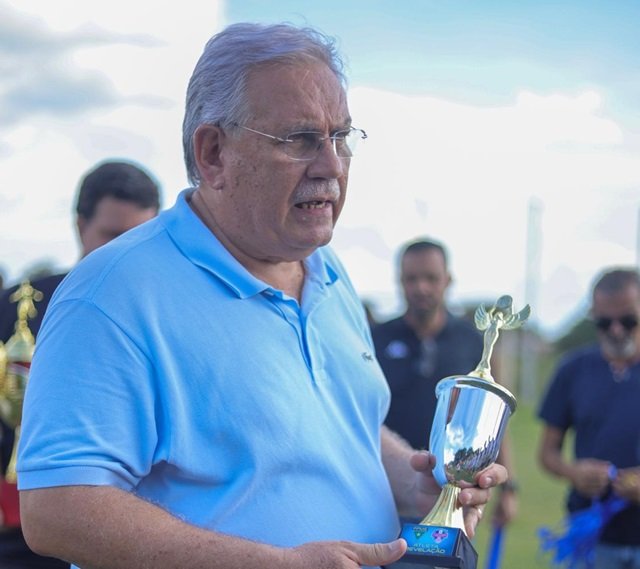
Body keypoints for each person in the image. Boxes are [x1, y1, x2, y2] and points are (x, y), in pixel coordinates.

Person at [17, 23, 507, 569]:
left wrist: (412, 484)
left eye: (341, 137)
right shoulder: (111, 294)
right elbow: (56, 508)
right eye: (300, 140)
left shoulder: (328, 270)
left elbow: (344, 427)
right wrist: (275, 564)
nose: (331, 166)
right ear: (213, 153)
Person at [0, 160, 160, 569]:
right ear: (80, 225)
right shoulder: (19, 305)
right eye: (112, 236)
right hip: (17, 534)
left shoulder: (169, 318)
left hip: (130, 537)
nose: (125, 253)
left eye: (140, 237)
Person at [372, 239, 518, 528]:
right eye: (411, 279)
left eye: (431, 278)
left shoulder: (474, 341)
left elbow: (495, 419)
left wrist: (509, 488)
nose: (421, 288)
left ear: (448, 280)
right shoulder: (375, 339)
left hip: (451, 494)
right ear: (400, 281)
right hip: (382, 490)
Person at [538, 267, 640, 568]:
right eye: (604, 322)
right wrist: (574, 472)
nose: (616, 330)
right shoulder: (572, 369)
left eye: (628, 320)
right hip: (592, 538)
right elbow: (547, 452)